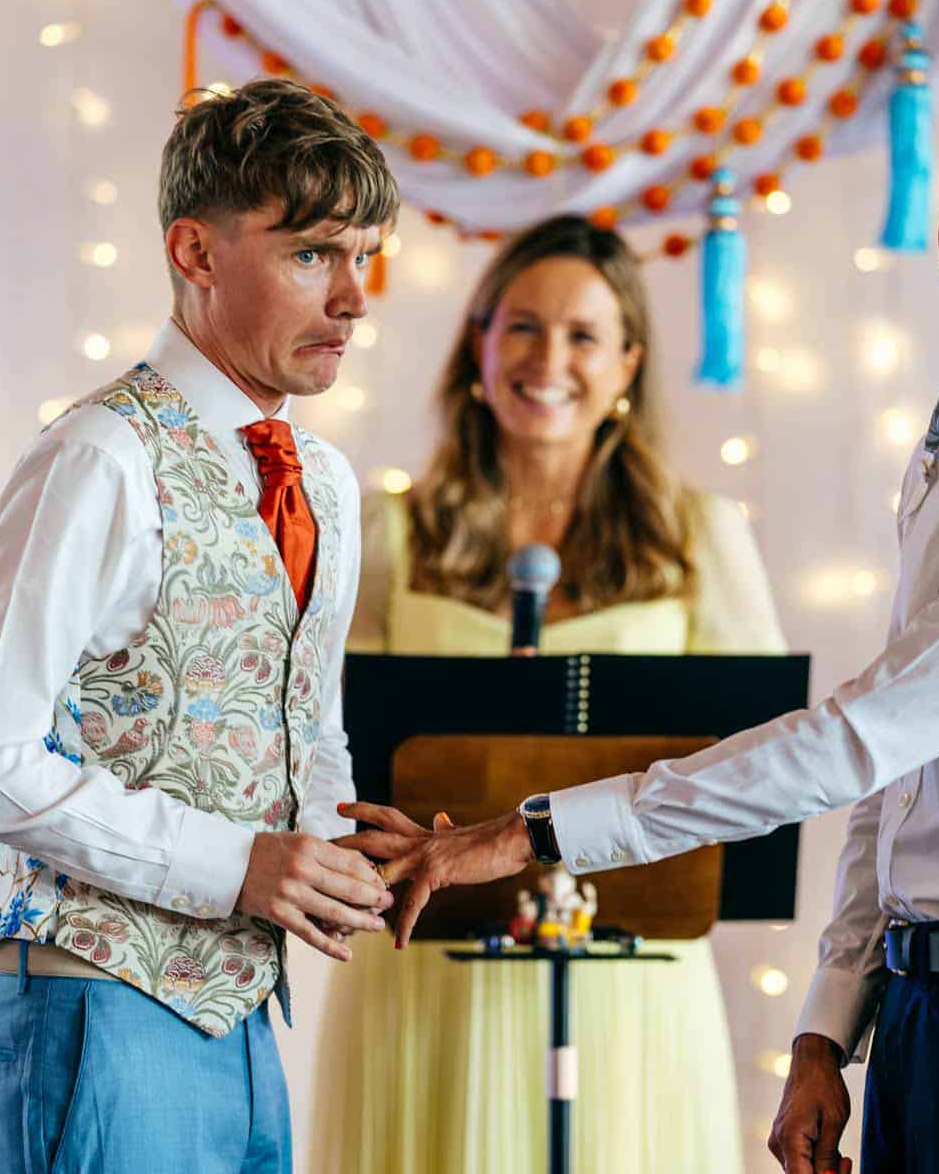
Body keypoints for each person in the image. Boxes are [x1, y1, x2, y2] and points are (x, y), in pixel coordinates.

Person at [343, 103, 939, 1174]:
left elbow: (855, 738)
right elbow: (897, 772)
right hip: (920, 1004)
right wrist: (825, 1031)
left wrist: (528, 833)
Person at [0, 77, 399, 1173]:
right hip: (97, 1020)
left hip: (246, 1026)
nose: (356, 297)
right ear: (197, 251)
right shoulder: (97, 456)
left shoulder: (324, 477)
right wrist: (234, 864)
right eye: (314, 253)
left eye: (366, 254)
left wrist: (341, 853)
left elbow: (303, 727)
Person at [307, 215, 787, 1174]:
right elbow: (317, 758)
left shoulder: (700, 535)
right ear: (477, 346)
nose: (548, 358)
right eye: (521, 326)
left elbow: (766, 768)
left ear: (627, 366)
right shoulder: (387, 535)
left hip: (629, 978)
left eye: (583, 335)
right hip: (426, 972)